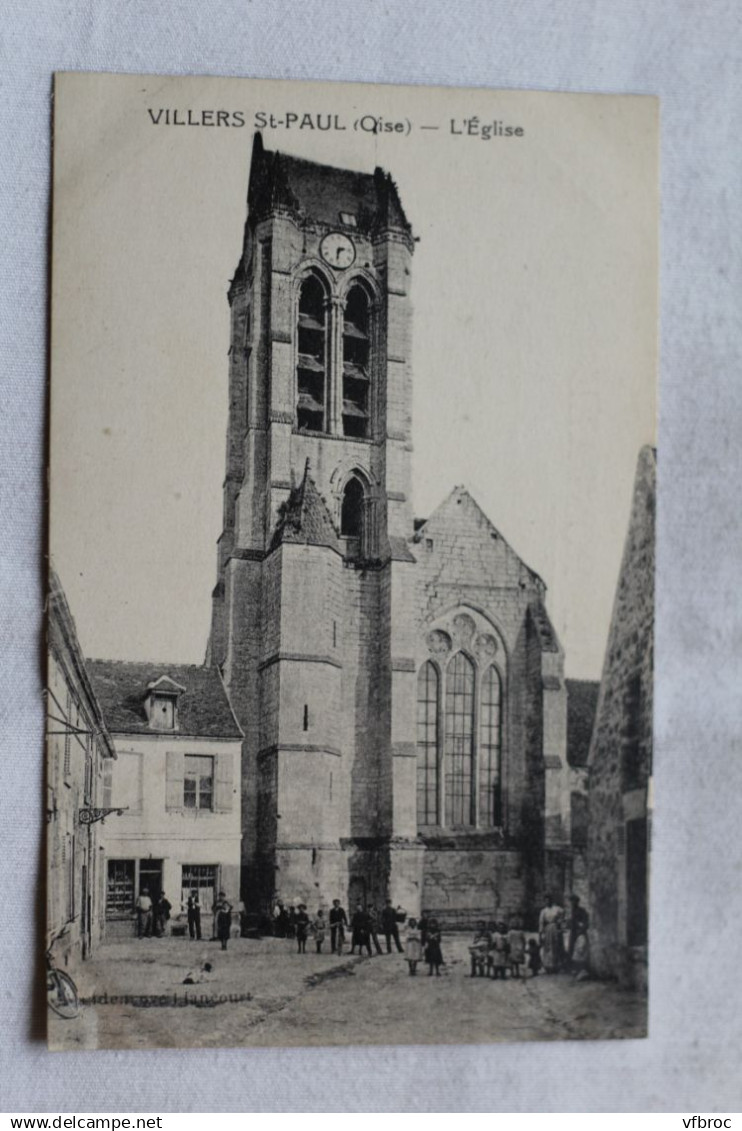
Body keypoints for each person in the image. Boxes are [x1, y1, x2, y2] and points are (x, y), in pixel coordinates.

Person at [538, 893, 565, 973]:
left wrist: (560, 924)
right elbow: (541, 923)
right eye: (546, 900)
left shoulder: (556, 909)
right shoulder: (543, 911)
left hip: (555, 928)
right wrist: (540, 934)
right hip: (548, 929)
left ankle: (557, 965)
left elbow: (563, 915)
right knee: (548, 947)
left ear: (551, 900)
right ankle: (548, 966)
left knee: (556, 946)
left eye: (549, 900)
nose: (547, 902)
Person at [567, 895, 590, 966]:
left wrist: (581, 930)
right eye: (571, 902)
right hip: (573, 932)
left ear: (577, 902)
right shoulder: (571, 911)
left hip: (579, 932)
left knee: (581, 948)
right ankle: (572, 966)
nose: (572, 903)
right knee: (572, 947)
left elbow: (585, 922)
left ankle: (582, 966)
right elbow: (570, 922)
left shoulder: (581, 911)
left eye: (574, 901)